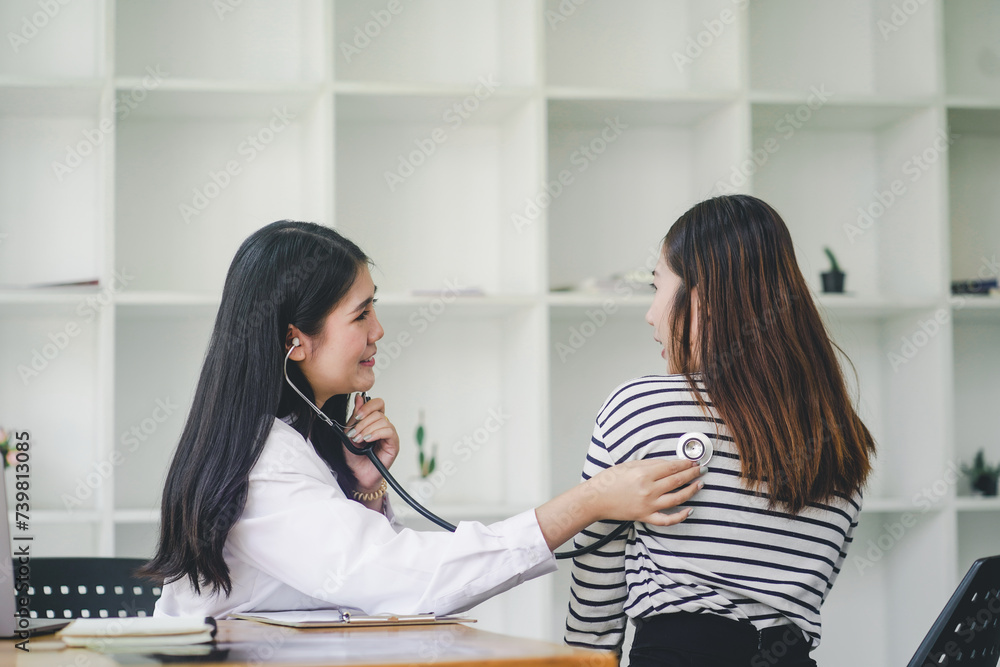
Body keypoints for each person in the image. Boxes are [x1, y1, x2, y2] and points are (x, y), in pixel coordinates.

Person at [141, 220, 705, 619]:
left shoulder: (293, 443)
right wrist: (589, 501)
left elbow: (350, 582)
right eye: (361, 314)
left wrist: (365, 488)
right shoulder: (266, 464)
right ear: (296, 340)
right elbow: (402, 580)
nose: (378, 331)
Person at [563, 195, 876, 667]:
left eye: (657, 287)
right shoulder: (838, 434)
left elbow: (597, 589)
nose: (651, 314)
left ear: (701, 298)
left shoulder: (641, 406)